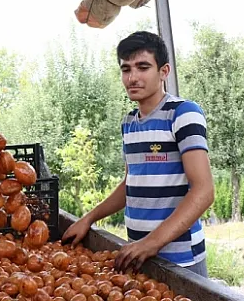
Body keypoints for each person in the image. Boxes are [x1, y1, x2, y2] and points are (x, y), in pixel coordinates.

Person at [62, 31, 215, 277]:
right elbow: (130, 184)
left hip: (181, 261)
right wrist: (88, 218)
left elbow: (204, 190)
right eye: (126, 69)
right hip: (139, 256)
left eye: (143, 67)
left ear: (164, 72)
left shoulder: (183, 113)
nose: (132, 77)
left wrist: (152, 242)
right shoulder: (129, 123)